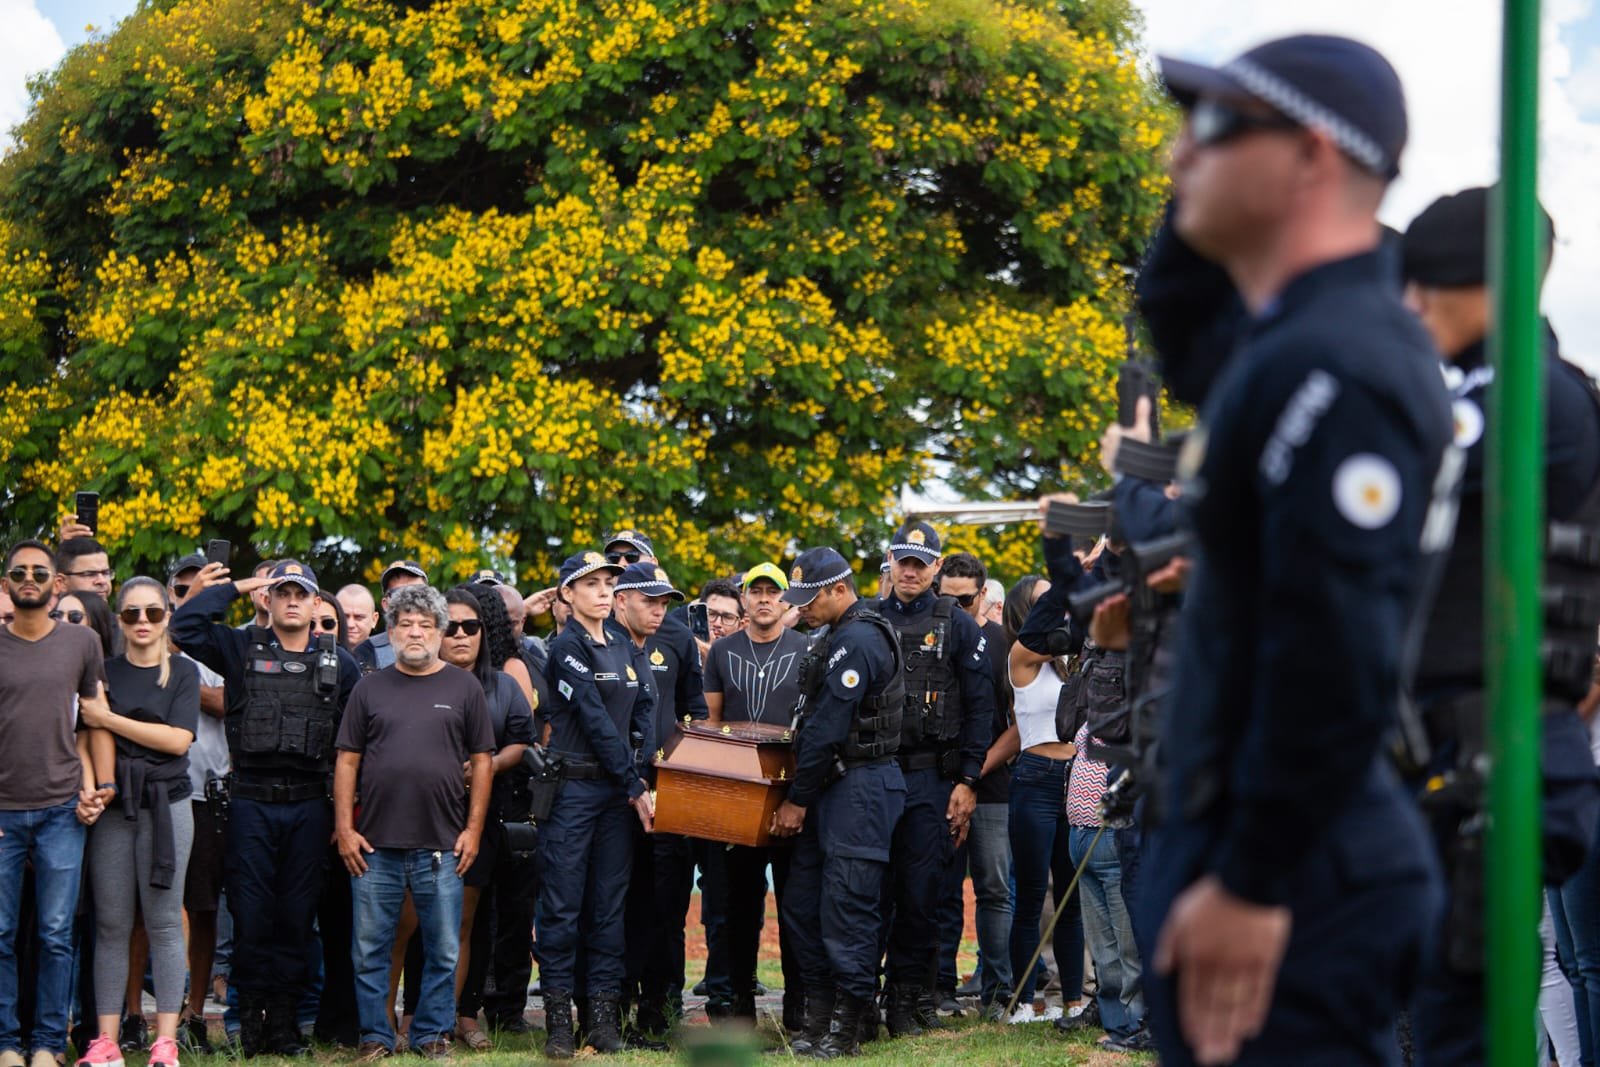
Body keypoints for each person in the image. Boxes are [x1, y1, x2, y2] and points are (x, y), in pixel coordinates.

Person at [1135, 35, 1455, 1064]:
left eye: (1214, 126)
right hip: (1250, 839)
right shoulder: (1285, 342)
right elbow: (1177, 319)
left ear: (1312, 155)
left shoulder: (1346, 361)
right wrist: (1209, 209)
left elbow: (1335, 649)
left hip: (1299, 867)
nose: (1180, 154)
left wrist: (1253, 877)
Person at [1398, 187, 1600, 1063]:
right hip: (1463, 756)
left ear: (1484, 285)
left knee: (1463, 1025)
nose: (1409, 305)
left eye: (1426, 285)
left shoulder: (1525, 393)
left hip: (1494, 758)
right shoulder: (1496, 384)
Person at [170, 559, 361, 1057]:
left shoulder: (340, 662)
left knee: (296, 921)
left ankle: (284, 1025)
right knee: (252, 919)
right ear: (268, 601)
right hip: (251, 803)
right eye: (282, 592)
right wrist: (235, 587)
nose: (292, 601)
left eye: (302, 593)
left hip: (308, 807)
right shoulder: (238, 647)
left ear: (318, 603)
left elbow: (354, 744)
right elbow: (185, 626)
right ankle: (250, 1027)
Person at [335, 584, 494, 1063]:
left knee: (443, 951)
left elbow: (483, 762)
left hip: (443, 845)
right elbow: (346, 760)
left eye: (426, 624)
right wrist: (345, 828)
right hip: (374, 846)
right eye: (406, 624)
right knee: (370, 951)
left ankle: (430, 1035)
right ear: (391, 630)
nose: (416, 632)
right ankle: (376, 1038)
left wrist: (473, 831)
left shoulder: (464, 688)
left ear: (441, 631)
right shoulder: (369, 687)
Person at [771, 547, 906, 1057]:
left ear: (839, 590)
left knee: (849, 907)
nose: (801, 608)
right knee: (805, 906)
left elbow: (828, 727)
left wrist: (797, 800)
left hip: (859, 786)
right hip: (830, 788)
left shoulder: (859, 638)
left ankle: (848, 1026)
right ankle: (820, 1017)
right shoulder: (833, 634)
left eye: (809, 598)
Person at [875, 523, 997, 1036]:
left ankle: (910, 999)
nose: (910, 570)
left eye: (920, 562)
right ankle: (861, 1000)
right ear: (891, 561)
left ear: (936, 567)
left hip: (931, 779)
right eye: (903, 559)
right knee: (870, 893)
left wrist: (968, 781)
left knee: (923, 892)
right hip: (875, 776)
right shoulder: (868, 618)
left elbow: (980, 707)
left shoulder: (958, 624)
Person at [536, 552, 654, 1059]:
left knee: (608, 908)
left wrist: (636, 766)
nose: (604, 591)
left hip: (614, 794)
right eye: (591, 584)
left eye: (609, 582)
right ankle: (559, 1023)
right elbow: (593, 719)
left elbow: (644, 706)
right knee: (562, 908)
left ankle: (602, 1019)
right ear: (567, 594)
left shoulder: (624, 644)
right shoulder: (566, 647)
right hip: (574, 792)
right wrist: (634, 782)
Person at [76, 579, 199, 1067]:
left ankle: (164, 1040)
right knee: (111, 924)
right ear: (119, 619)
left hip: (169, 804)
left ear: (167, 615)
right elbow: (86, 732)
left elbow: (177, 741)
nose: (142, 622)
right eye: (131, 614)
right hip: (113, 804)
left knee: (166, 922)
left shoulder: (183, 672)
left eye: (152, 612)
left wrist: (111, 719)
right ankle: (105, 1040)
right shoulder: (102, 670)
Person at [0, 540, 112, 1067]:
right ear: (7, 584)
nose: (29, 578)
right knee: (0, 933)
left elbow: (95, 719)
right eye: (18, 572)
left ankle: (46, 1043)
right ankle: (5, 1042)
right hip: (2, 812)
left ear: (56, 583)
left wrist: (101, 786)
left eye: (38, 571)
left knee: (55, 933)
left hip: (61, 809)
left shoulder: (81, 644)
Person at [702, 562, 812, 1032]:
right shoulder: (722, 652)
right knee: (736, 905)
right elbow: (710, 723)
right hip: (738, 792)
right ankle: (736, 1006)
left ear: (786, 601)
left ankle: (799, 1005)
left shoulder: (808, 648)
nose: (765, 599)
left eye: (774, 591)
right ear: (743, 599)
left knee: (798, 904)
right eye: (756, 591)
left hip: (794, 788)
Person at [610, 563, 705, 1043]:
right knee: (613, 902)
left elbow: (696, 711)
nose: (657, 609)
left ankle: (660, 1008)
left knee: (665, 903)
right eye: (649, 599)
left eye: (663, 600)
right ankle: (611, 1006)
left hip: (667, 788)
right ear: (618, 596)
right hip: (613, 792)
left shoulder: (677, 637)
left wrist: (682, 772)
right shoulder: (598, 643)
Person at [931, 553, 1015, 1020]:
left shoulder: (1003, 643)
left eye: (964, 600)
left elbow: (1019, 727)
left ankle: (997, 989)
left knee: (994, 888)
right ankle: (939, 984)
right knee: (938, 886)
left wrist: (972, 773)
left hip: (992, 784)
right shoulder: (927, 638)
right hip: (938, 781)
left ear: (983, 595)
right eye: (946, 599)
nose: (955, 608)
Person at [999, 575, 1086, 1025]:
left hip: (1075, 777)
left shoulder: (1070, 662)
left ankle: (1074, 999)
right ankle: (1025, 998)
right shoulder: (1022, 656)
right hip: (1035, 778)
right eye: (1045, 602)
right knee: (1031, 896)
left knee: (1070, 896)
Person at [164, 556, 229, 1056]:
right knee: (147, 912)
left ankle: (194, 1012)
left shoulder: (220, 645)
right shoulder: (149, 637)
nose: (193, 596)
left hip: (210, 793)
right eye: (184, 589)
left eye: (204, 588)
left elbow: (231, 702)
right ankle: (129, 1014)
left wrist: (187, 687)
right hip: (157, 793)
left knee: (202, 909)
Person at [353, 561, 428, 672]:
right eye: (399, 593)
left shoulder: (446, 642)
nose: (409, 599)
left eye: (416, 592)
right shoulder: (368, 650)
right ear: (386, 604)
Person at [335, 586, 376, 651]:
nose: (350, 624)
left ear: (374, 620)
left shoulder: (390, 657)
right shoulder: (319, 655)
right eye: (344, 617)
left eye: (359, 617)